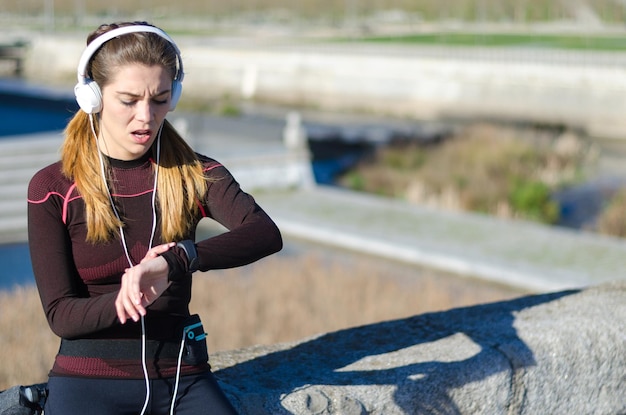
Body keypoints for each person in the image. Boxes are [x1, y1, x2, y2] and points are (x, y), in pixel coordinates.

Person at [27, 21, 282, 415]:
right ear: (92, 97)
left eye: (160, 99)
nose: (145, 117)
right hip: (87, 380)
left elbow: (265, 234)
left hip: (184, 376)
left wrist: (177, 260)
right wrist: (126, 299)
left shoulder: (196, 173)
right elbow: (61, 315)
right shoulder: (53, 187)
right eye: (128, 100)